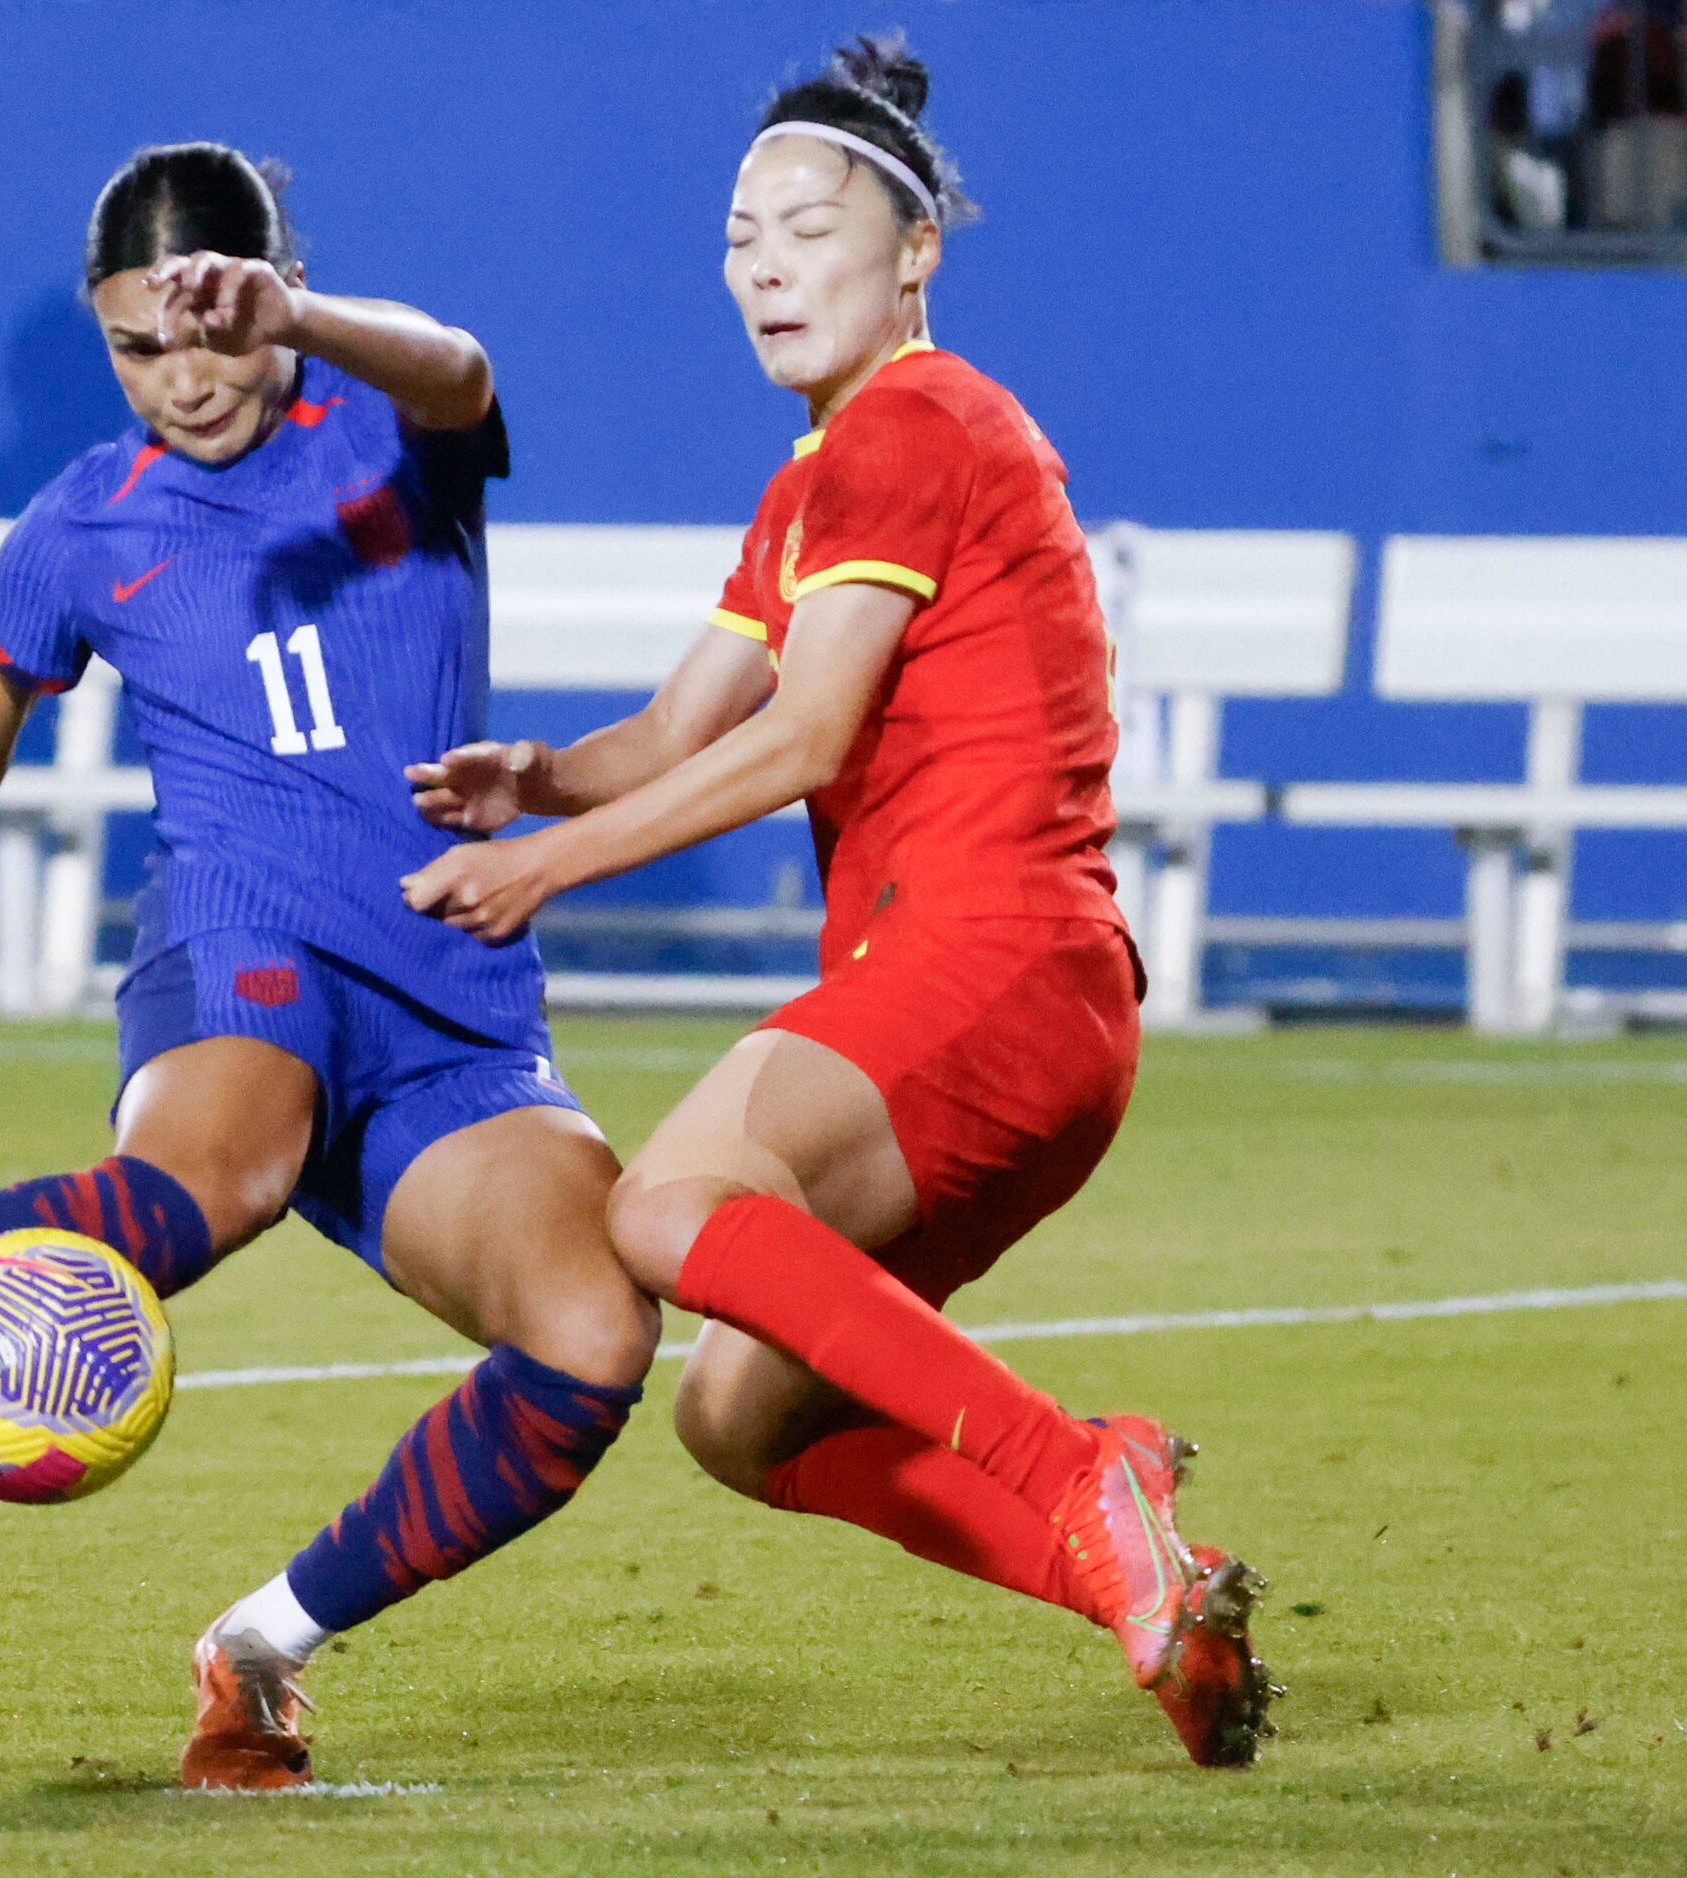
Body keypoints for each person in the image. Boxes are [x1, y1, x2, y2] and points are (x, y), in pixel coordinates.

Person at [0, 145, 661, 1791]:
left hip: (450, 1004)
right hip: (241, 940)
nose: (183, 375)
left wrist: (298, 315)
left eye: (213, 328)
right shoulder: (85, 520)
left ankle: (262, 1648)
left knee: (591, 1333)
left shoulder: (386, 430)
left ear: (278, 289)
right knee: (216, 1174)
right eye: (135, 346)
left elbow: (464, 370)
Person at [403, 39, 1276, 1767]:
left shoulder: (914, 424)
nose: (766, 267)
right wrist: (551, 775)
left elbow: (807, 734)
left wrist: (542, 869)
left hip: (990, 963)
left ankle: (1076, 1467)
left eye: (808, 227)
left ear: (914, 251)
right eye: (740, 238)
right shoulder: (820, 476)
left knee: (665, 1208)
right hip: (1034, 1024)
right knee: (738, 1413)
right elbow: (680, 726)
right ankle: (1146, 1590)